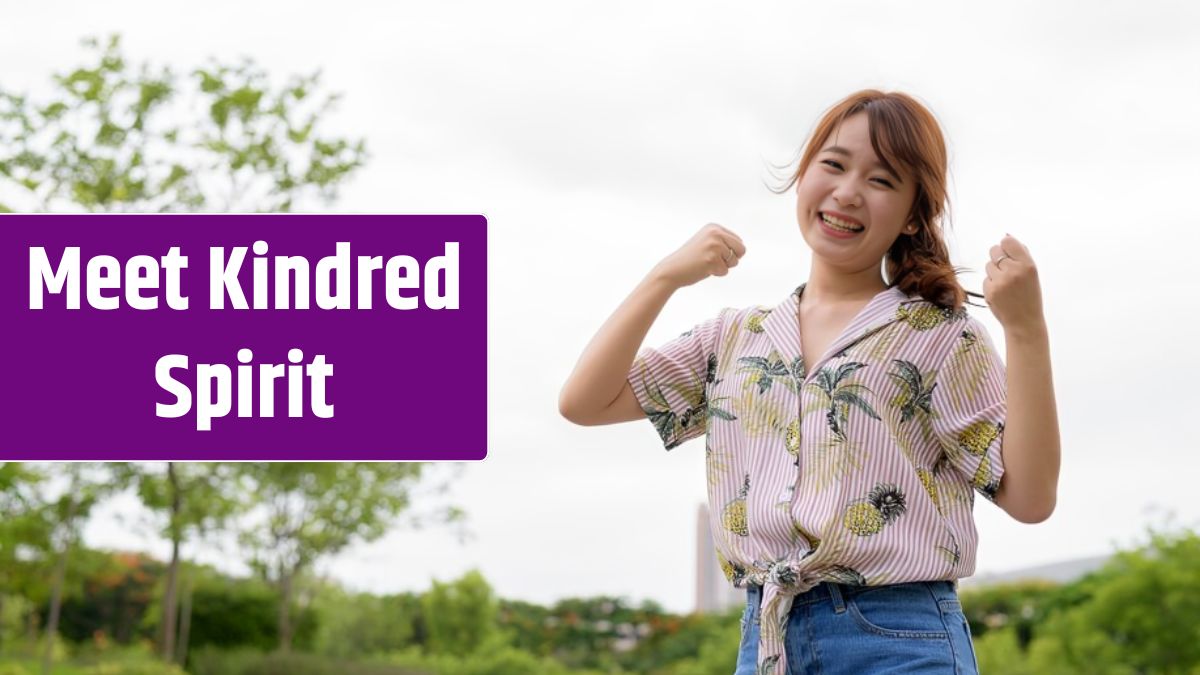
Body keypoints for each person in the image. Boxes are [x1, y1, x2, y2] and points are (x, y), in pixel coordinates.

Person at [558, 89, 1060, 674]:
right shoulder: (735, 338)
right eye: (834, 164)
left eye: (882, 179)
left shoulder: (940, 335)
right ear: (803, 176)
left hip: (901, 638)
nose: (847, 192)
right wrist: (665, 276)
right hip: (769, 639)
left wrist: (1026, 331)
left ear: (914, 215)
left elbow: (1028, 497)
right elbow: (583, 402)